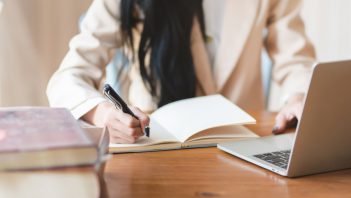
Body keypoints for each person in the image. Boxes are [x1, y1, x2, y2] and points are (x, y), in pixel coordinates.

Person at [47, 0, 315, 144]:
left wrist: (298, 96)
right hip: (156, 148)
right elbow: (68, 77)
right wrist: (103, 114)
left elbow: (294, 59)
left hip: (243, 146)